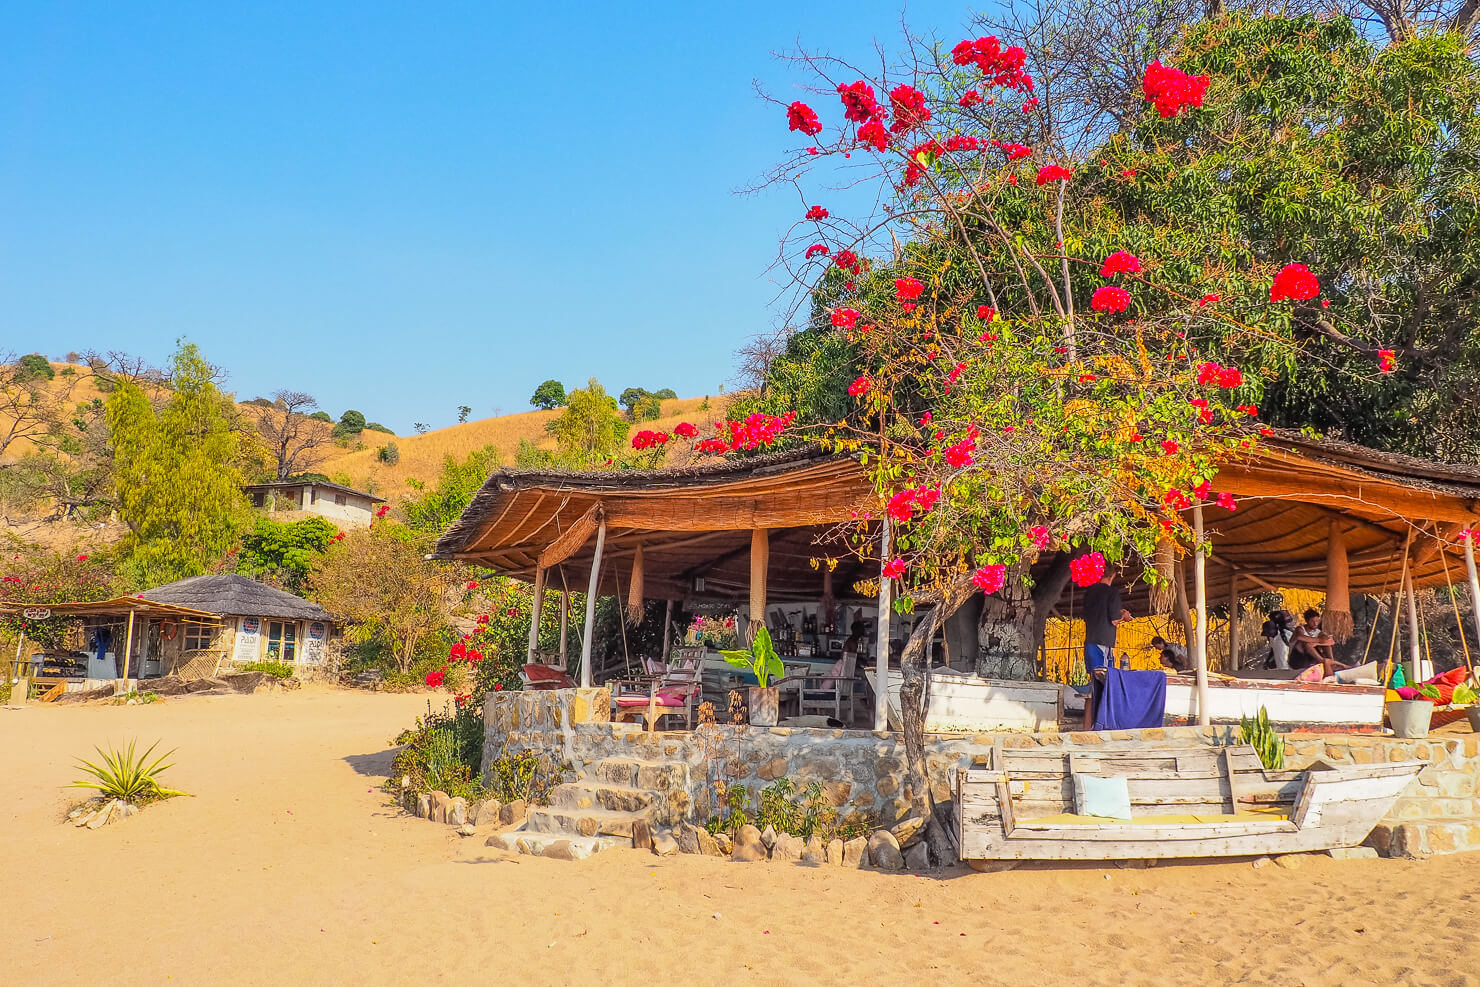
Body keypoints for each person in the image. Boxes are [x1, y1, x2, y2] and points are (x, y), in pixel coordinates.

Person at [1082, 569, 1133, 726]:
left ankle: (1087, 728)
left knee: (1093, 687)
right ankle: (1102, 725)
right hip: (1102, 645)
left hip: (1090, 642)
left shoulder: (1089, 592)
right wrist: (1124, 616)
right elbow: (1114, 619)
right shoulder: (1112, 593)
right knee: (1105, 686)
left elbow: (1088, 614)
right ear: (1113, 575)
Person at [1289, 609, 1347, 677]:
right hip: (1297, 659)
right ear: (1307, 621)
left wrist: (1317, 643)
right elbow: (1299, 637)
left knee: (1326, 645)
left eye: (1317, 621)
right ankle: (1324, 661)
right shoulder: (1300, 629)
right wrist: (1319, 640)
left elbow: (1331, 642)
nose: (1315, 623)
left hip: (1310, 658)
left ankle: (1331, 662)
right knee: (1305, 643)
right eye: (1312, 621)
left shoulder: (1318, 632)